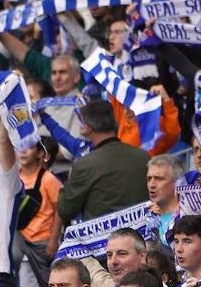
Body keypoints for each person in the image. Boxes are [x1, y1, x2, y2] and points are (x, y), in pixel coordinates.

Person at [55, 99, 150, 240]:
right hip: (142, 242)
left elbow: (65, 209)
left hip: (102, 249)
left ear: (87, 127)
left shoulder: (85, 164)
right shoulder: (144, 157)